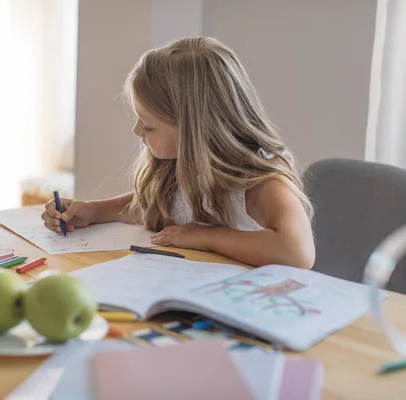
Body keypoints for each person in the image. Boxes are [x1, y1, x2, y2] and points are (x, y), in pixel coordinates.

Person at [42, 37, 315, 269]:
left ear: (194, 129)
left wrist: (206, 237)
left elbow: (297, 252)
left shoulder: (259, 178)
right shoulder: (180, 164)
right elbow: (153, 206)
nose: (137, 131)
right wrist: (93, 211)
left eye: (148, 125)